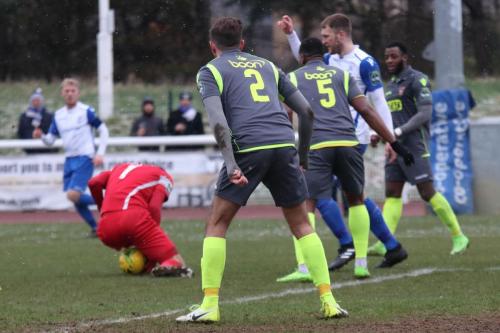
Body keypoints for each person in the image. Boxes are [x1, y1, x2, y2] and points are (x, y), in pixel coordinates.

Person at [176, 17, 348, 323]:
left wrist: (231, 164)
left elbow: (218, 121)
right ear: (243, 43)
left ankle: (210, 305)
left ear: (212, 46)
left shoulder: (211, 70)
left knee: (217, 222)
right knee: (301, 225)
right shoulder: (268, 66)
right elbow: (307, 113)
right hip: (283, 145)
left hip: (249, 148)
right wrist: (303, 156)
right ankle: (329, 300)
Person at [277, 13, 404, 276]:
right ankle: (371, 254)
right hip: (346, 138)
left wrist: (388, 135)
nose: (324, 42)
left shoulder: (365, 63)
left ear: (340, 34)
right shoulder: (333, 64)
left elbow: (378, 102)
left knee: (314, 200)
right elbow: (308, 56)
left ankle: (314, 260)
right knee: (354, 198)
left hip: (344, 138)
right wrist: (291, 34)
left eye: (326, 36)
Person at [368, 42, 469, 256]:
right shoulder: (391, 86)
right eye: (386, 57)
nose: (389, 61)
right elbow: (390, 118)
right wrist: (381, 133)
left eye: (393, 56)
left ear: (404, 57)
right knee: (392, 193)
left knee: (426, 192)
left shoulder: (418, 79)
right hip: (395, 147)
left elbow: (424, 113)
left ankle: (459, 235)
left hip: (414, 144)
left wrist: (398, 132)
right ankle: (385, 242)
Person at [33, 78, 109, 236]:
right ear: (62, 93)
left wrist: (100, 153)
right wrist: (41, 136)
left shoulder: (86, 111)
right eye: (67, 91)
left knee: (73, 195)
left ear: (78, 93)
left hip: (85, 158)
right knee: (75, 199)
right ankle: (96, 229)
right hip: (69, 159)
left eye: (72, 91)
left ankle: (110, 201)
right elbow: (50, 140)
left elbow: (103, 130)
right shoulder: (59, 115)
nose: (70, 94)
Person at [88, 163, 193, 277]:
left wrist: (102, 209)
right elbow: (154, 207)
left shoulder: (119, 168)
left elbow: (93, 183)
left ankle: (140, 259)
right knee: (177, 262)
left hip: (106, 229)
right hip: (133, 220)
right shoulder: (164, 176)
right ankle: (162, 263)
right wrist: (151, 238)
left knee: (134, 237)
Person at [17, 89, 57, 154]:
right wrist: (32, 136)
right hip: (30, 151)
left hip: (48, 152)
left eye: (38, 100)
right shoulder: (24, 116)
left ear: (42, 101)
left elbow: (53, 133)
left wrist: (41, 135)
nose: (36, 102)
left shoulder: (49, 116)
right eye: (34, 100)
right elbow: (21, 133)